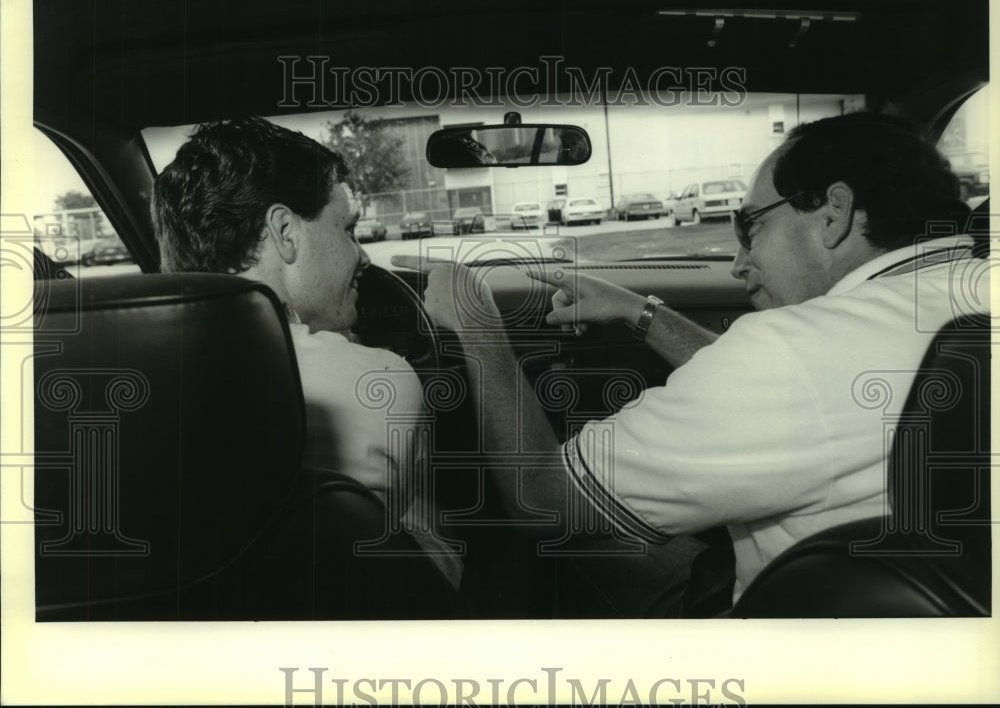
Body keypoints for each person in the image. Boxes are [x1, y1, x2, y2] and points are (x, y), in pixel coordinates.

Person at [397, 112, 987, 605]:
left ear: (833, 213)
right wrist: (640, 313)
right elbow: (786, 397)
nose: (737, 263)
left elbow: (544, 501)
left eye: (749, 225)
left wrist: (478, 330)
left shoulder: (790, 349)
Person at [151, 116, 461, 587]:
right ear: (285, 232)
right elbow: (432, 569)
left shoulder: (133, 372)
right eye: (348, 229)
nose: (363, 256)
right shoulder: (378, 380)